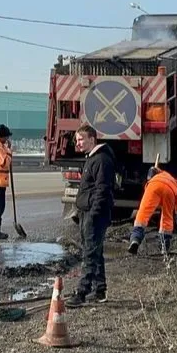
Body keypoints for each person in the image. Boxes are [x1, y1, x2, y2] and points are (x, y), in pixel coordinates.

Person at [70, 124, 115, 304]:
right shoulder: (91, 159)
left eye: (81, 139)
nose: (78, 143)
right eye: (77, 140)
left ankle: (82, 292)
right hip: (87, 212)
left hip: (94, 214)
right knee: (95, 251)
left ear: (92, 139)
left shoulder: (102, 160)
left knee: (89, 253)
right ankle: (99, 290)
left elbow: (102, 189)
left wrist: (94, 214)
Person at [128, 166, 177, 256]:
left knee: (142, 214)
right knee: (167, 217)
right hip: (170, 191)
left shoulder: (161, 174)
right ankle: (164, 246)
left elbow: (153, 170)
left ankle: (135, 239)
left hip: (153, 185)